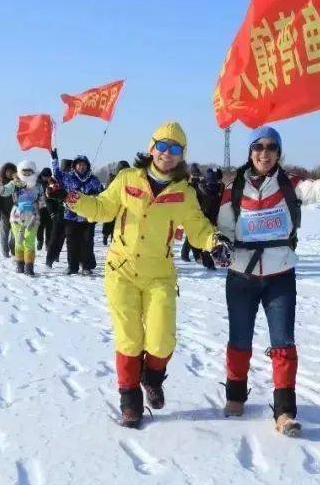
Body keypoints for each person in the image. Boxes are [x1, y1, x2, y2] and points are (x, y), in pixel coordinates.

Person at [67, 121, 232, 429]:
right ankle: (130, 401)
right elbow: (103, 208)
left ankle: (152, 378)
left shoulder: (183, 192)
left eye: (175, 149)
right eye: (163, 146)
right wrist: (73, 198)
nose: (167, 154)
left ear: (182, 155)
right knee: (129, 339)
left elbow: (197, 227)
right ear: (152, 146)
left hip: (159, 274)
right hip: (122, 270)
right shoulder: (128, 177)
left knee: (161, 340)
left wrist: (215, 241)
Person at [218, 126, 320, 436]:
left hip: (280, 276)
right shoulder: (234, 188)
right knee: (239, 339)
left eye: (271, 147)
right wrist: (220, 244)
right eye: (259, 147)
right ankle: (235, 396)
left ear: (279, 152)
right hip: (241, 276)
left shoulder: (290, 185)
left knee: (283, 343)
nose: (264, 153)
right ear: (250, 152)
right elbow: (224, 228)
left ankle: (285, 411)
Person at [51, 151, 105, 275]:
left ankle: (86, 266)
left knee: (87, 242)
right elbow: (56, 174)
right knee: (72, 242)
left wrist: (94, 197)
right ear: (74, 166)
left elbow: (102, 195)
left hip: (87, 218)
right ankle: (72, 267)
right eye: (79, 165)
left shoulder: (94, 180)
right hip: (71, 217)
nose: (81, 167)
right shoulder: (68, 177)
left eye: (84, 165)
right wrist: (54, 158)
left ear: (87, 166)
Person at [0, 160, 45, 275]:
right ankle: (20, 265)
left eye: (29, 172)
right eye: (24, 171)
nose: (27, 174)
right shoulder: (14, 184)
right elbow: (4, 192)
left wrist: (36, 205)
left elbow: (42, 201)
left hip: (32, 217)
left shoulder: (38, 185)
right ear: (20, 171)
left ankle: (29, 267)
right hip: (17, 216)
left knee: (29, 241)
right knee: (19, 241)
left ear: (33, 172)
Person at [0, 163, 18, 257]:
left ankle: (13, 248)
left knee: (15, 234)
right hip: (3, 212)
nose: (10, 173)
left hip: (16, 212)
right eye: (8, 171)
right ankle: (5, 252)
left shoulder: (17, 183)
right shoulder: (0, 183)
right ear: (4, 172)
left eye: (12, 171)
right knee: (4, 233)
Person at [36, 168, 55, 250]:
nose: (47, 178)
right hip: (39, 207)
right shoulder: (36, 182)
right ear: (42, 175)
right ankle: (40, 241)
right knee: (40, 227)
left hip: (49, 208)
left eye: (49, 176)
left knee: (49, 227)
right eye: (45, 176)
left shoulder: (52, 182)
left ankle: (48, 244)